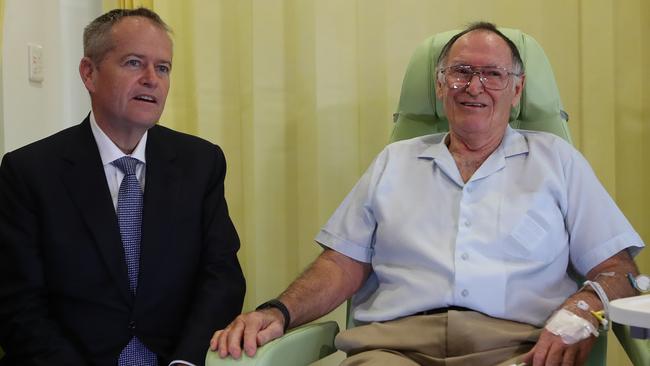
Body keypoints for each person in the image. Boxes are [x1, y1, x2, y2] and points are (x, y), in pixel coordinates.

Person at [210, 22, 644, 366]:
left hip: (517, 348)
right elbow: (342, 263)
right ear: (440, 86)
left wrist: (584, 311)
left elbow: (618, 269)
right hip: (392, 350)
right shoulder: (394, 161)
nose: (475, 86)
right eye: (461, 72)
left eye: (493, 74)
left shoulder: (558, 161)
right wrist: (276, 312)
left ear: (517, 90)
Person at [0, 8, 245, 366]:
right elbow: (17, 304)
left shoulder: (200, 163)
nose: (152, 79)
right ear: (89, 73)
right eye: (134, 63)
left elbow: (222, 278)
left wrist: (187, 361)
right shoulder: (29, 172)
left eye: (163, 68)